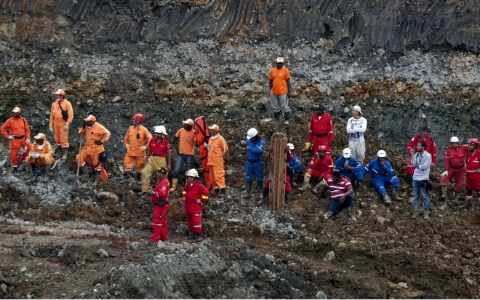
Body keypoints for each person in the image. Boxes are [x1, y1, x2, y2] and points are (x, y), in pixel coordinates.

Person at [77, 115, 111, 184]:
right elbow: (81, 133)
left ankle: (97, 180)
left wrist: (101, 141)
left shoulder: (98, 127)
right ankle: (87, 173)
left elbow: (107, 133)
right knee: (79, 158)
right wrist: (83, 128)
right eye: (86, 121)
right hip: (87, 147)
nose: (86, 122)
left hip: (96, 148)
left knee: (97, 164)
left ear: (92, 122)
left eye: (88, 121)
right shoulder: (86, 127)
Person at [141, 126, 171, 194]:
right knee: (145, 173)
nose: (155, 134)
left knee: (162, 176)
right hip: (152, 159)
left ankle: (160, 192)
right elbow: (149, 150)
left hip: (161, 160)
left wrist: (169, 164)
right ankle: (145, 190)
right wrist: (146, 159)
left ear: (161, 134)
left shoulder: (166, 142)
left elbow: (168, 153)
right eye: (155, 133)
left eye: (157, 133)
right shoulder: (152, 140)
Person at [1, 107, 32, 173]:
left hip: (23, 139)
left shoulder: (23, 120)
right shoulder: (10, 120)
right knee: (14, 154)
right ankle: (14, 166)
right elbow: (2, 128)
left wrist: (28, 138)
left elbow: (27, 130)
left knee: (30, 147)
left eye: (15, 113)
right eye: (13, 113)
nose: (13, 114)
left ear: (19, 113)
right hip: (15, 140)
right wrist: (8, 136)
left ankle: (27, 159)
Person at [182, 169, 209, 242]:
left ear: (195, 178)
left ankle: (198, 234)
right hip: (188, 206)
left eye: (190, 177)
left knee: (196, 221)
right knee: (190, 220)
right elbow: (184, 190)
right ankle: (193, 233)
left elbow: (206, 193)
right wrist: (184, 196)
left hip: (195, 207)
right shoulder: (188, 185)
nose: (189, 178)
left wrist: (201, 200)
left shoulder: (199, 185)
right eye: (188, 177)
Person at [123, 113, 151, 181]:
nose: (133, 121)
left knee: (140, 166)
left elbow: (150, 139)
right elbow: (126, 138)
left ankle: (138, 180)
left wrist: (145, 147)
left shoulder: (144, 130)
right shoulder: (130, 128)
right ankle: (126, 179)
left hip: (140, 152)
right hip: (131, 151)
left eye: (134, 119)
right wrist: (126, 144)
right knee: (127, 163)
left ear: (138, 121)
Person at [171, 119, 196, 192]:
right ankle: (173, 187)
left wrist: (198, 134)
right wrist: (177, 148)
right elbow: (174, 139)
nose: (184, 125)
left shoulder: (194, 133)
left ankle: (188, 188)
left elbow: (197, 143)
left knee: (189, 173)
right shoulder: (181, 130)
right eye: (184, 124)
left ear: (190, 126)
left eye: (186, 124)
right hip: (181, 155)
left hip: (189, 155)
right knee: (176, 170)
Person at [239, 128, 265, 200]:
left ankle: (259, 192)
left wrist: (249, 148)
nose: (250, 139)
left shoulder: (261, 142)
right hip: (249, 162)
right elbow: (243, 143)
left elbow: (258, 150)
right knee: (248, 177)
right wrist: (241, 142)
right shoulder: (249, 141)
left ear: (255, 136)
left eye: (251, 138)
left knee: (259, 178)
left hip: (257, 162)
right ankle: (247, 192)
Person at [49, 89, 74, 159]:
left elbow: (71, 115)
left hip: (63, 122)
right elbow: (51, 116)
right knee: (57, 138)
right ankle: (59, 152)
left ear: (62, 96)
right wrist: (50, 126)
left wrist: (67, 124)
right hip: (55, 123)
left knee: (63, 138)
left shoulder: (67, 103)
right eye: (56, 95)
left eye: (57, 95)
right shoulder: (54, 104)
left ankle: (65, 154)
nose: (56, 96)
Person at [205, 124, 229, 197]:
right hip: (211, 161)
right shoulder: (211, 139)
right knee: (212, 176)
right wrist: (207, 147)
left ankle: (222, 190)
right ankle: (216, 189)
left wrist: (220, 157)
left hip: (217, 161)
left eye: (211, 130)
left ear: (215, 131)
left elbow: (225, 150)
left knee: (219, 175)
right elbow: (210, 149)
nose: (210, 131)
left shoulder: (220, 139)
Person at [440, 136, 467, 201]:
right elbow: (446, 161)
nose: (454, 144)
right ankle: (444, 196)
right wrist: (446, 170)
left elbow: (471, 145)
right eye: (453, 143)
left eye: (456, 143)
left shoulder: (463, 148)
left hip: (460, 169)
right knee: (444, 178)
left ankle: (456, 199)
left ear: (458, 143)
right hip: (451, 169)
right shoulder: (448, 150)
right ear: (450, 144)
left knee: (459, 184)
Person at [411, 141, 432, 219]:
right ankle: (415, 212)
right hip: (415, 177)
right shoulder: (416, 154)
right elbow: (413, 164)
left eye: (419, 146)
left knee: (425, 196)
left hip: (423, 178)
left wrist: (417, 165)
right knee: (416, 196)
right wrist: (412, 155)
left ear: (423, 147)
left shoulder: (428, 156)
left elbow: (425, 167)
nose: (417, 147)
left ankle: (426, 213)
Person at [150, 167, 170, 248]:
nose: (157, 174)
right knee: (163, 223)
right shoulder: (162, 181)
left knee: (157, 222)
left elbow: (162, 194)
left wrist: (153, 193)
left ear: (162, 174)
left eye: (159, 172)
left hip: (160, 205)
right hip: (160, 204)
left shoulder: (164, 183)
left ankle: (154, 239)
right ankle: (164, 237)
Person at [268, 57, 291, 124]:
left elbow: (288, 82)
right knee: (275, 107)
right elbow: (270, 81)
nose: (280, 65)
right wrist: (270, 90)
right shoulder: (272, 71)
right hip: (274, 92)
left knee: (284, 106)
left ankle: (287, 120)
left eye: (281, 63)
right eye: (278, 63)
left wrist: (289, 92)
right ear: (276, 63)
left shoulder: (285, 70)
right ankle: (276, 120)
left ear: (283, 64)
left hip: (283, 92)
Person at [463, 138, 480, 209]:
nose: (469, 146)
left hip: (476, 175)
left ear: (475, 146)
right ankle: (468, 203)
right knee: (468, 189)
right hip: (469, 175)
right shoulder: (468, 153)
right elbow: (467, 162)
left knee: (479, 190)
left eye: (471, 145)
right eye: (468, 144)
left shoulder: (479, 153)